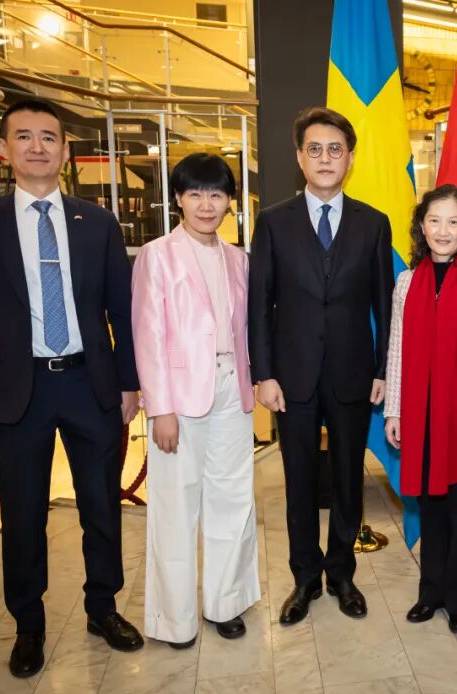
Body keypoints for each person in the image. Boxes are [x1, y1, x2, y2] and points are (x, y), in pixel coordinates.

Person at [0, 99, 144, 679]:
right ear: (3, 150)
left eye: (49, 137)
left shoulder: (97, 222)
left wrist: (130, 383)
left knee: (101, 507)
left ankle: (102, 607)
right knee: (23, 513)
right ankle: (28, 625)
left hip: (91, 384)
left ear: (64, 149)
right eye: (24, 136)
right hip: (18, 391)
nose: (38, 147)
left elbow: (121, 310)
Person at [250, 107, 394, 625]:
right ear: (299, 157)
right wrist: (264, 373)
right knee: (299, 483)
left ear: (350, 158)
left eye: (335, 149)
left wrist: (384, 370)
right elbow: (259, 304)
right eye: (315, 149)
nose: (326, 158)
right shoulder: (274, 222)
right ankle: (305, 578)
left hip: (354, 374)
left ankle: (343, 576)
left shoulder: (373, 223)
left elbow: (385, 304)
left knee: (349, 480)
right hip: (292, 378)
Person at [132, 153, 260, 649]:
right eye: (195, 194)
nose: (207, 205)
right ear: (178, 199)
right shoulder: (156, 255)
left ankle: (225, 603)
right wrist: (159, 408)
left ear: (230, 201)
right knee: (175, 505)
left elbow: (246, 328)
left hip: (232, 389)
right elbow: (147, 335)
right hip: (179, 397)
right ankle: (175, 619)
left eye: (216, 194)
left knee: (233, 499)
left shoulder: (238, 258)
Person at [384, 184, 457, 634]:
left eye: (454, 221)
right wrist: (394, 411)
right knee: (429, 510)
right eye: (434, 220)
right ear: (421, 226)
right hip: (419, 416)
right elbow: (397, 349)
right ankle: (430, 592)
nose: (443, 230)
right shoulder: (406, 282)